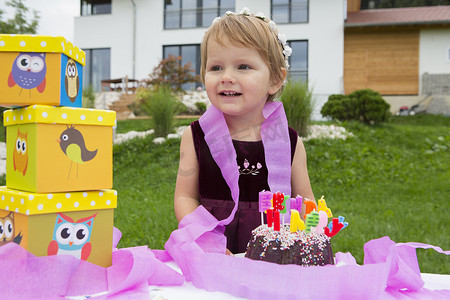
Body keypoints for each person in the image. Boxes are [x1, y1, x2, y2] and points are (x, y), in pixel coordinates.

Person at [174, 8, 315, 255]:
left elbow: (306, 203)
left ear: (275, 79)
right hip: (212, 251)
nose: (226, 77)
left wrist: (308, 235)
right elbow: (184, 198)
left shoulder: (290, 142)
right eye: (216, 67)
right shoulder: (196, 136)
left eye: (243, 66)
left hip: (274, 255)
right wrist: (206, 241)